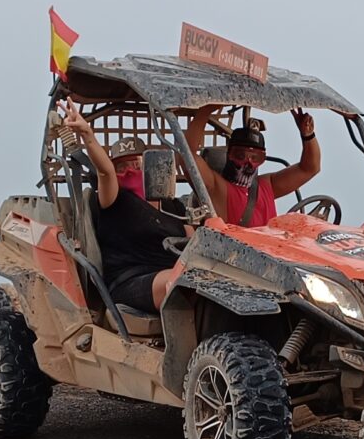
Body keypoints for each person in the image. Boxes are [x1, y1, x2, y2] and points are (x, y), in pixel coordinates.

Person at [57, 106, 187, 312]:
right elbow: (105, 173)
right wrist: (87, 134)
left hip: (173, 271)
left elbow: (195, 238)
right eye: (121, 168)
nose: (129, 172)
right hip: (130, 280)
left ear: (150, 167)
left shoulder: (172, 205)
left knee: (208, 279)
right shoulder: (114, 200)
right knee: (184, 283)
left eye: (136, 165)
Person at [182, 108, 319, 227]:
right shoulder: (216, 187)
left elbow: (309, 169)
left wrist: (308, 135)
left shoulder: (267, 185)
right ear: (229, 154)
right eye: (241, 156)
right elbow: (187, 156)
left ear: (262, 160)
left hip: (272, 252)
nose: (248, 163)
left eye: (255, 158)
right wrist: (205, 112)